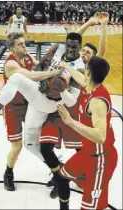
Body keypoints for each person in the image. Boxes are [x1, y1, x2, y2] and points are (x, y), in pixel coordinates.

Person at [0, 32, 78, 191]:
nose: (25, 46)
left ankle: (56, 169)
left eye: (24, 44)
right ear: (11, 49)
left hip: (27, 104)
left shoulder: (27, 57)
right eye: (20, 45)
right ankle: (8, 172)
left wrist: (50, 62)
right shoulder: (10, 65)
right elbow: (32, 76)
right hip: (12, 109)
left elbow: (39, 66)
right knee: (17, 147)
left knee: (39, 142)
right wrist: (54, 73)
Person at [41, 12, 109, 198]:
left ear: (93, 59)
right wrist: (89, 22)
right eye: (83, 50)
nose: (85, 53)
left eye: (89, 52)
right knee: (46, 147)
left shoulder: (90, 73)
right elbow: (75, 38)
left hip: (78, 118)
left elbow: (102, 53)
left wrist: (102, 27)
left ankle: (73, 177)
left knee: (82, 151)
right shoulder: (73, 61)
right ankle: (59, 177)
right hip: (60, 112)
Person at [55, 56, 118, 210]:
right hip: (87, 153)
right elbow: (79, 76)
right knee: (62, 178)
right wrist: (65, 66)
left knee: (89, 208)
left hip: (100, 160)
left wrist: (71, 122)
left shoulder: (97, 102)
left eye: (86, 67)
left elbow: (100, 136)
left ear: (89, 73)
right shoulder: (89, 86)